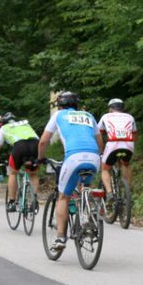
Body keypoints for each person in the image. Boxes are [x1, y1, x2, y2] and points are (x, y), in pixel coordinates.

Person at [37, 92, 104, 252]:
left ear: (60, 105)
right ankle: (88, 219)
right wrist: (99, 155)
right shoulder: (88, 115)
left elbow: (44, 141)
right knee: (84, 188)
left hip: (73, 157)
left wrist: (40, 158)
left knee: (63, 197)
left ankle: (60, 238)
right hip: (94, 157)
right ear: (77, 105)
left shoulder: (59, 115)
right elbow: (100, 141)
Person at [0, 112, 40, 212]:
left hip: (20, 146)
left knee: (13, 173)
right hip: (35, 145)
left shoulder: (4, 128)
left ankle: (12, 202)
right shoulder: (25, 124)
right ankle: (34, 201)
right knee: (33, 174)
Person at [97, 98, 137, 200]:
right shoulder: (130, 117)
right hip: (128, 144)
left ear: (110, 108)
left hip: (113, 144)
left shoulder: (106, 116)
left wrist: (100, 150)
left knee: (105, 169)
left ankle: (110, 193)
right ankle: (127, 191)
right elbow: (134, 134)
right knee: (126, 164)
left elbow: (98, 134)